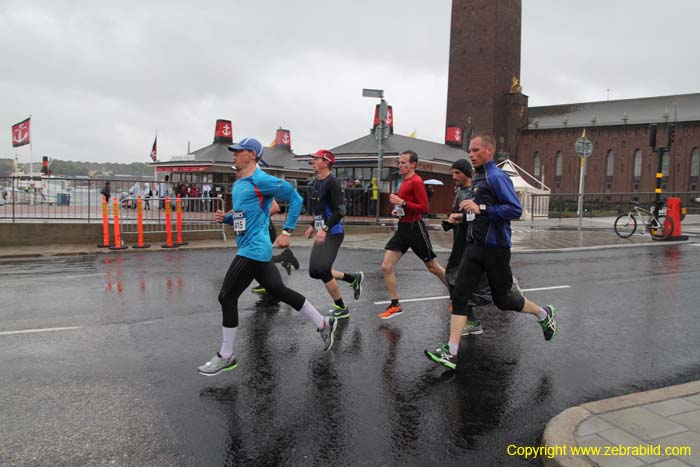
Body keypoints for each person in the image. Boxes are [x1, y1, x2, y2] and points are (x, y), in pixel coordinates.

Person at [198, 137, 337, 376]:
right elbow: (245, 213)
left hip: (252, 249)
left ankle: (227, 354)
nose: (233, 154)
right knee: (279, 290)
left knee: (226, 297)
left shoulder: (260, 179)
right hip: (253, 247)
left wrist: (287, 231)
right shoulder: (241, 181)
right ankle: (322, 323)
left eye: (238, 151)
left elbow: (296, 198)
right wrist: (228, 218)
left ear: (251, 155)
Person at [425, 134, 558, 370]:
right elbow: (478, 213)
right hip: (475, 247)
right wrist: (462, 217)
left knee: (504, 300)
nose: (471, 154)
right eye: (470, 151)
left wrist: (481, 207)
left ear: (489, 150)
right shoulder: (478, 177)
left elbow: (514, 209)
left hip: (496, 249)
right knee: (459, 294)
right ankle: (451, 353)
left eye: (476, 150)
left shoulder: (497, 176)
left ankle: (543, 314)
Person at [379, 150, 447, 319]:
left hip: (415, 229)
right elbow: (406, 206)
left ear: (413, 165)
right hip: (403, 228)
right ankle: (395, 305)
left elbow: (424, 208)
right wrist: (398, 210)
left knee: (433, 267)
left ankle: (458, 293)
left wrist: (401, 202)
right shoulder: (404, 182)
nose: (400, 165)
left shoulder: (416, 181)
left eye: (403, 163)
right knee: (386, 267)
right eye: (399, 163)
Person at [303, 149, 364, 319]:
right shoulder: (315, 182)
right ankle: (353, 278)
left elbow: (340, 211)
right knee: (314, 271)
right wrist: (312, 225)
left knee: (323, 269)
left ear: (326, 162)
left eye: (316, 159)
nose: (313, 162)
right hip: (323, 231)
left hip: (334, 232)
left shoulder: (332, 183)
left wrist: (324, 229)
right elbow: (319, 210)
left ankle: (341, 307)